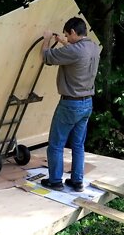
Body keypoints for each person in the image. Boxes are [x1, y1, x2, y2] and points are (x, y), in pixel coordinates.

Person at [40, 17, 100, 192]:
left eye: (67, 34)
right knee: (78, 145)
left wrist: (46, 39)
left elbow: (46, 57)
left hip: (70, 105)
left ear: (73, 32)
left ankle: (55, 181)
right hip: (87, 104)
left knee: (56, 144)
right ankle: (77, 181)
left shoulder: (73, 51)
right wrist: (64, 42)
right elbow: (77, 54)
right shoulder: (94, 47)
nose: (66, 37)